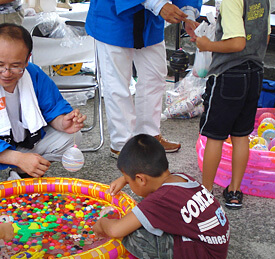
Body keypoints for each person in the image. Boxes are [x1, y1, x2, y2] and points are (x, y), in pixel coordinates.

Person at [0, 23, 86, 193]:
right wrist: (18, 158)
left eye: (16, 66)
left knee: (73, 136)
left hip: (23, 139)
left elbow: (52, 108)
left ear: (27, 59)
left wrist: (63, 122)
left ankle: (21, 174)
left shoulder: (34, 74)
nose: (6, 72)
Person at [93, 134, 229, 259]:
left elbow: (116, 230)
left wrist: (102, 223)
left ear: (141, 179)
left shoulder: (160, 200)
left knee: (135, 236)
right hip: (214, 251)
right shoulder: (181, 178)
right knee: (146, 223)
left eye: (128, 177)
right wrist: (127, 179)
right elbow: (152, 192)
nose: (126, 180)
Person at [85, 0, 201, 157]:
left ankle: (148, 136)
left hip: (151, 19)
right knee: (117, 84)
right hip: (113, 14)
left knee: (155, 77)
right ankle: (122, 143)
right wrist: (157, 3)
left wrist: (188, 12)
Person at [196, 0, 270, 209]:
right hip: (255, 72)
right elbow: (265, 36)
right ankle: (234, 191)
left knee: (215, 135)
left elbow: (237, 43)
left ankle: (206, 192)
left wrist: (207, 45)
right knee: (241, 136)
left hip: (229, 75)